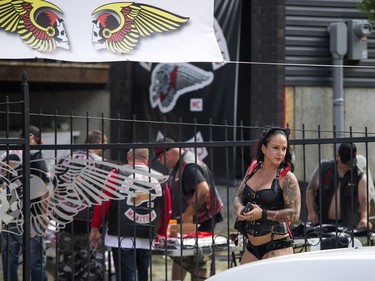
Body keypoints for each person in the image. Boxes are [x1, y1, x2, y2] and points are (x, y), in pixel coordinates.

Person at [89, 148, 170, 281]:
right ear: (147, 159)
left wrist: (95, 227)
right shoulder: (160, 178)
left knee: (126, 276)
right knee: (142, 275)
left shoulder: (117, 173)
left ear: (128, 157)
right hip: (146, 236)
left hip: (121, 236)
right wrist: (161, 233)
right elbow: (167, 210)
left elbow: (103, 202)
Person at [154, 138, 224, 281]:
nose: (162, 163)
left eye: (161, 159)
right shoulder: (180, 165)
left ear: (166, 154)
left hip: (199, 219)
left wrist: (187, 214)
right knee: (178, 254)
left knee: (198, 258)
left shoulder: (189, 166)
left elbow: (203, 190)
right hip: (185, 219)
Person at [233, 127, 301, 264]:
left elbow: (294, 214)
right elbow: (238, 196)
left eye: (284, 148)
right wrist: (239, 208)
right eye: (275, 147)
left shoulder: (287, 177)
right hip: (252, 247)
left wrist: (263, 214)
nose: (280, 153)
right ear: (264, 149)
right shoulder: (253, 168)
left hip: (277, 246)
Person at [56, 129, 108, 281]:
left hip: (66, 222)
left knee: (66, 268)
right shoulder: (100, 164)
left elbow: (57, 190)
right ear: (98, 143)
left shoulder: (65, 159)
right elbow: (104, 195)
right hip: (90, 224)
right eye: (104, 146)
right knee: (91, 269)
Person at [0, 125, 50, 281]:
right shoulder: (35, 154)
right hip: (32, 215)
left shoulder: (6, 155)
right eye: (37, 140)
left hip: (9, 214)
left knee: (10, 259)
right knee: (36, 261)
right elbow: (44, 188)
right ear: (31, 137)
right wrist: (44, 215)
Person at [306, 143, 372, 229]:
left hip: (348, 225)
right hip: (323, 222)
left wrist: (364, 218)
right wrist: (311, 212)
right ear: (337, 156)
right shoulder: (323, 168)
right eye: (346, 162)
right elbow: (311, 190)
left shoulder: (359, 176)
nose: (349, 165)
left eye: (351, 161)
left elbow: (364, 199)